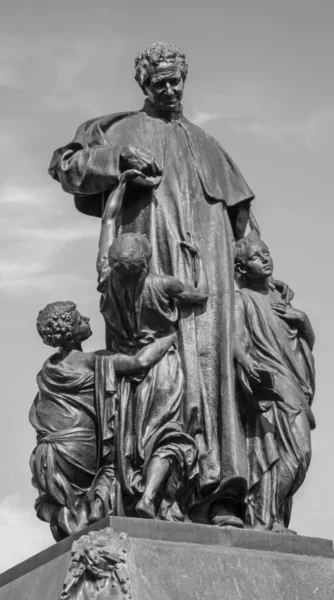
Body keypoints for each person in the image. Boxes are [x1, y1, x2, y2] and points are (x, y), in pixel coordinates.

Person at [49, 41, 292, 526]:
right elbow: (66, 166)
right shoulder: (117, 130)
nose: (170, 89)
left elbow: (243, 221)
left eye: (176, 81)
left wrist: (262, 280)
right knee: (162, 376)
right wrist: (116, 161)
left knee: (220, 374)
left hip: (214, 281)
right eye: (159, 82)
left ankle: (224, 496)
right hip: (150, 273)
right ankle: (157, 493)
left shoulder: (205, 143)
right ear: (144, 83)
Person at [96, 171, 208, 519]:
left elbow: (109, 222)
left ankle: (140, 497)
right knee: (167, 433)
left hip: (128, 371)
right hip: (163, 364)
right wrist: (199, 261)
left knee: (135, 441)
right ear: (145, 262)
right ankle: (149, 497)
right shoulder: (164, 285)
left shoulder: (106, 282)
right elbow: (200, 295)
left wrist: (120, 186)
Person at [30, 300, 176, 539]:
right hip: (78, 446)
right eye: (80, 320)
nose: (87, 320)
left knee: (46, 502)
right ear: (69, 333)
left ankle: (60, 515)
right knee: (112, 467)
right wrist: (170, 336)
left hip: (46, 455)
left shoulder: (48, 369)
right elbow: (138, 362)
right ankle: (97, 512)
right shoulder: (88, 360)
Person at [234, 235, 315, 533]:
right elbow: (235, 341)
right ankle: (267, 518)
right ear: (241, 267)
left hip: (293, 383)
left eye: (266, 253)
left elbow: (303, 344)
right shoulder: (241, 299)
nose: (265, 259)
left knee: (300, 453)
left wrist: (303, 319)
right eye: (257, 257)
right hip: (271, 384)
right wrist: (245, 361)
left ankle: (275, 516)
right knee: (287, 452)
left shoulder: (280, 299)